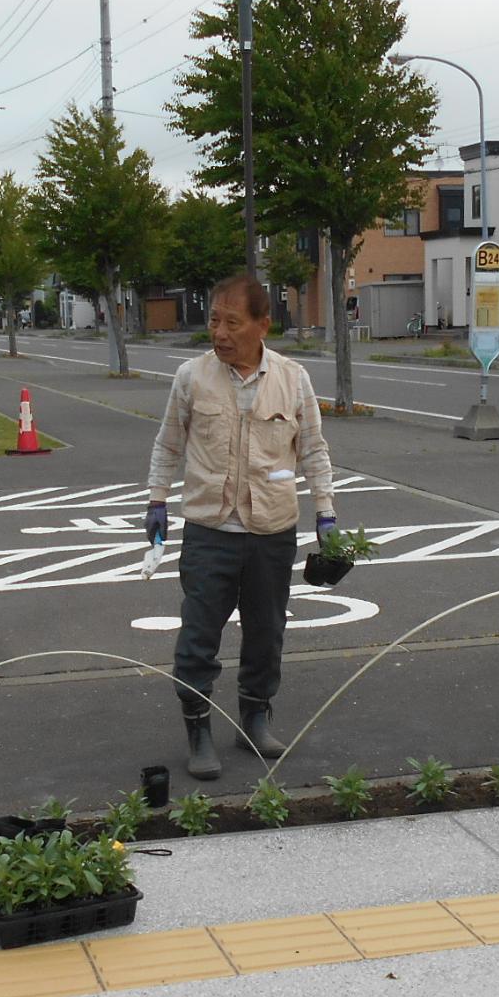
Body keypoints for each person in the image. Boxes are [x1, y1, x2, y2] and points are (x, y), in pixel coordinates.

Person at [147, 272, 339, 780]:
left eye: (233, 322)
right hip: (209, 530)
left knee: (266, 633)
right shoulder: (191, 376)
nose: (220, 333)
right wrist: (157, 500)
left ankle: (255, 717)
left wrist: (326, 512)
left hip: (272, 531)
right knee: (198, 636)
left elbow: (314, 449)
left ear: (262, 325)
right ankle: (198, 730)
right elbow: (169, 443)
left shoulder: (293, 378)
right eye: (214, 321)